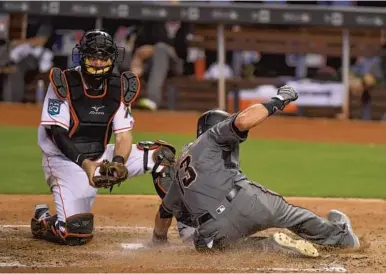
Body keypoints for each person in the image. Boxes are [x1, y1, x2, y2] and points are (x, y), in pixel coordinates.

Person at [152, 85, 360, 255]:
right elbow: (242, 121)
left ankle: (272, 248)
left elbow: (164, 212)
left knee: (227, 248)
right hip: (246, 203)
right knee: (291, 215)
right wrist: (279, 100)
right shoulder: (215, 135)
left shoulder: (182, 165)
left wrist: (158, 242)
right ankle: (341, 237)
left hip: (211, 235)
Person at [30, 29, 175, 246]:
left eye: (104, 57)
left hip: (101, 156)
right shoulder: (63, 83)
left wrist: (118, 162)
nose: (98, 63)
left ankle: (172, 230)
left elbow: (124, 135)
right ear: (83, 56)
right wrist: (86, 164)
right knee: (76, 232)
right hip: (66, 160)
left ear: (112, 58)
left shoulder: (118, 87)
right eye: (93, 57)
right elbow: (57, 134)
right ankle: (43, 220)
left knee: (163, 156)